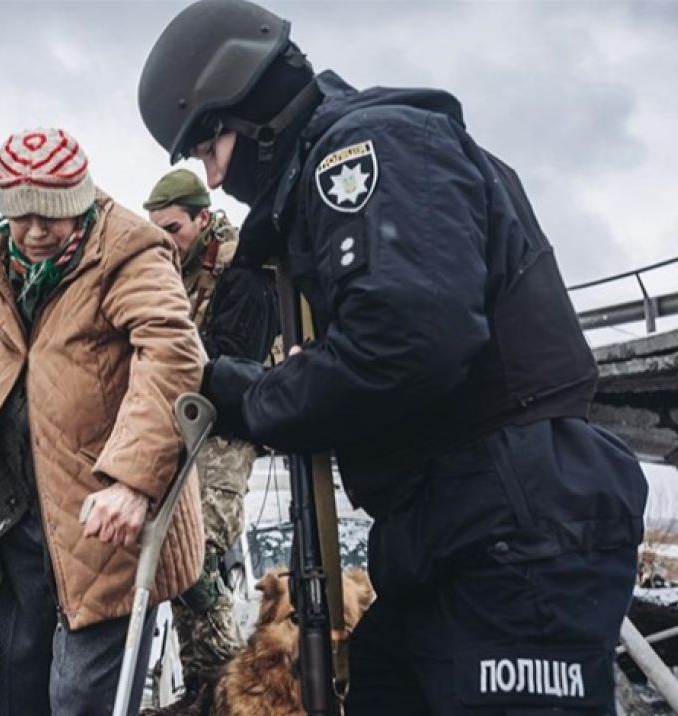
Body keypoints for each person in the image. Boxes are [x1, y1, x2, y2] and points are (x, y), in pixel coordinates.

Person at [138, 2, 648, 715]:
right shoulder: (353, 162)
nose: (214, 180)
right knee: (379, 684)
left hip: (512, 511)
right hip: (451, 518)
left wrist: (253, 399)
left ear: (246, 113)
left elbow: (407, 340)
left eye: (207, 151)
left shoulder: (368, 151)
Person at [0, 128, 206, 715]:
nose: (36, 232)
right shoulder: (1, 262)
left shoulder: (130, 251)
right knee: (22, 684)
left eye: (53, 215)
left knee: (82, 696)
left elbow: (171, 353)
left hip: (105, 514)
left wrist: (133, 482)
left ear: (81, 202)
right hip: (21, 508)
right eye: (23, 216)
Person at [141, 168, 276, 715]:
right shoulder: (171, 269)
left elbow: (234, 362)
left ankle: (229, 680)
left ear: (203, 217)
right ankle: (205, 685)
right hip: (188, 426)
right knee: (178, 558)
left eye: (173, 227)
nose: (164, 240)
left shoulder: (241, 274)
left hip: (230, 431)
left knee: (198, 555)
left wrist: (171, 352)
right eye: (157, 230)